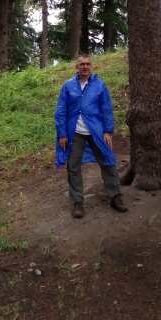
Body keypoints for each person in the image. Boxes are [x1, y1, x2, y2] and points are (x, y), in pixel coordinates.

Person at [55, 54, 128, 218]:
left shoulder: (99, 85)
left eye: (88, 64)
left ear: (91, 66)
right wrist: (62, 134)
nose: (85, 67)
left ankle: (115, 197)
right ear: (77, 67)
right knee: (73, 167)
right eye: (82, 64)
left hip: (96, 131)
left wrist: (108, 131)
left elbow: (106, 108)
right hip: (75, 133)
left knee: (108, 162)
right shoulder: (68, 86)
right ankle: (77, 202)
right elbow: (60, 111)